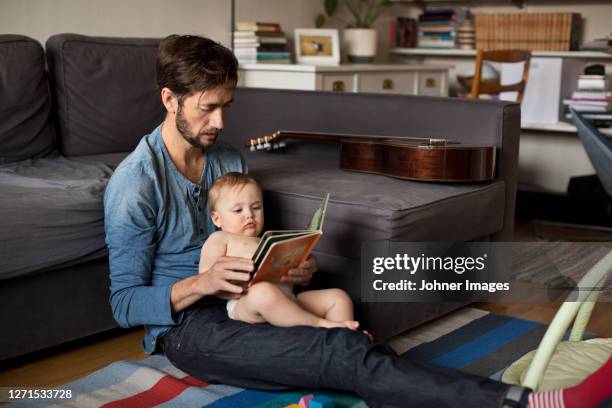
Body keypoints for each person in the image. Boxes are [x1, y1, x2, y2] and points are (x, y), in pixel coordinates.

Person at [104, 34, 612, 408]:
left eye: (228, 107)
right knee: (341, 353)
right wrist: (201, 283)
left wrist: (289, 270)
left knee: (349, 340)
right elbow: (124, 304)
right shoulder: (135, 185)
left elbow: (253, 244)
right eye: (207, 109)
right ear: (169, 100)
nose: (220, 123)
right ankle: (522, 403)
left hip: (252, 301)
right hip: (189, 327)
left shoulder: (228, 159)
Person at [200, 172, 358, 330]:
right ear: (216, 219)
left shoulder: (270, 241)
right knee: (262, 291)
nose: (249, 215)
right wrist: (233, 282)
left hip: (288, 300)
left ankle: (346, 341)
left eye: (256, 207)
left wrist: (303, 261)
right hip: (247, 302)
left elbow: (293, 271)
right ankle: (324, 326)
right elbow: (206, 277)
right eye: (238, 210)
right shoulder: (220, 238)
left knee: (338, 297)